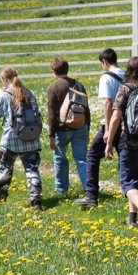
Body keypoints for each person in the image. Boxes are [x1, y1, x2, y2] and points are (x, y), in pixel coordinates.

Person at [104, 56, 138, 230]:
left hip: (128, 141)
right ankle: (132, 219)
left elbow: (116, 117)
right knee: (137, 181)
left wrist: (109, 141)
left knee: (127, 182)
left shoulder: (125, 89)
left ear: (128, 71)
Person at [75, 48, 125, 208]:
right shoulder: (126, 75)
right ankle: (130, 192)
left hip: (112, 124)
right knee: (124, 159)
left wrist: (109, 129)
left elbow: (108, 103)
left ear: (104, 62)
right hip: (126, 124)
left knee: (92, 156)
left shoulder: (106, 78)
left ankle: (91, 195)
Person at [0, 66, 42, 210]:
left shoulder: (6, 95)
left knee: (5, 169)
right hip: (31, 138)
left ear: (5, 79)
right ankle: (36, 199)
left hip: (11, 139)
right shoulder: (29, 93)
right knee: (32, 169)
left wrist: (0, 95)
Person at [46, 57, 90, 194]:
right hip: (80, 127)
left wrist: (51, 135)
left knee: (60, 158)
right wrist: (87, 126)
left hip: (61, 130)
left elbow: (52, 114)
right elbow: (86, 108)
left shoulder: (53, 88)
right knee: (82, 160)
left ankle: (61, 190)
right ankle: (89, 188)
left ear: (54, 71)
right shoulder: (78, 84)